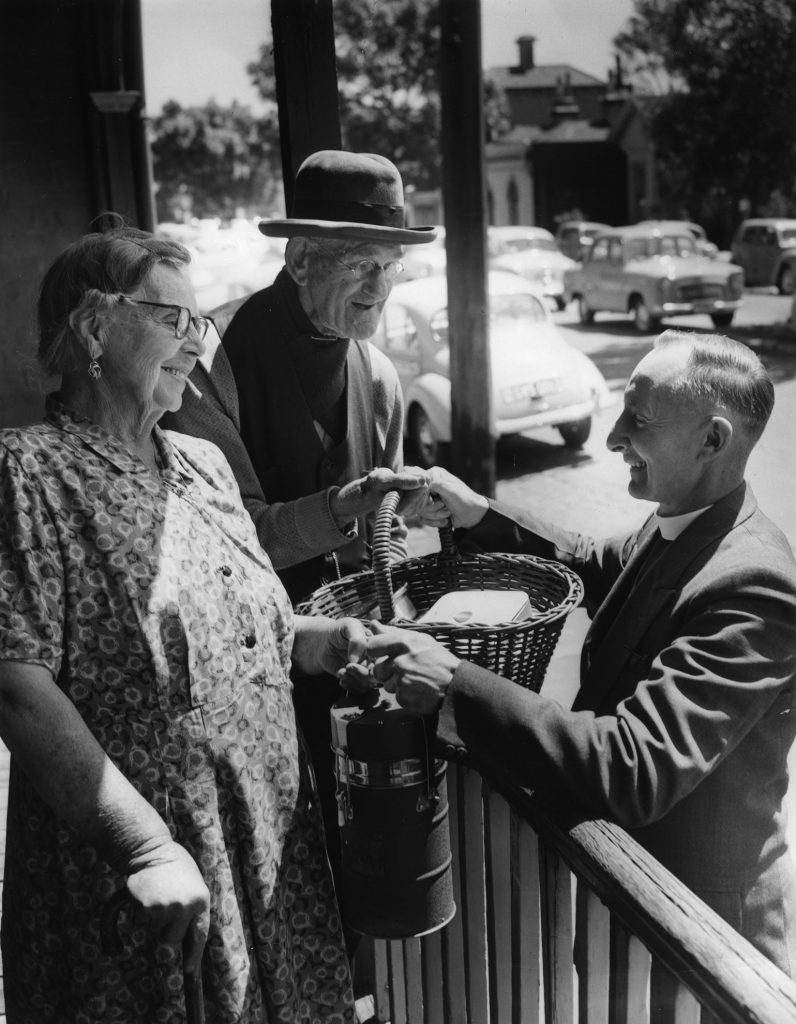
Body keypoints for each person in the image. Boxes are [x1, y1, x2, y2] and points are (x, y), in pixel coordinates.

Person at [0, 226, 418, 1022]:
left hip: (266, 843)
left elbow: (240, 623)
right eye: (175, 321)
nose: (197, 344)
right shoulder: (27, 473)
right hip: (147, 872)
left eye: (202, 324)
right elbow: (16, 682)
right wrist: (144, 847)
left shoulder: (204, 464)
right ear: (95, 327)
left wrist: (320, 642)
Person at [359, 330, 796, 986]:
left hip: (704, 946)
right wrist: (479, 513)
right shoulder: (681, 518)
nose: (614, 438)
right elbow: (591, 562)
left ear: (713, 440)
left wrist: (453, 683)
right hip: (636, 912)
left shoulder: (753, 585)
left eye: (638, 420)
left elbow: (633, 766)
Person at [164, 150, 438, 927]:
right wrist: (340, 504)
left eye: (390, 268)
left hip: (345, 674)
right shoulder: (208, 363)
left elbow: (381, 550)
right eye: (361, 267)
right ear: (299, 257)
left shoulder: (379, 374)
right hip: (241, 681)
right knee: (263, 895)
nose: (379, 291)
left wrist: (404, 534)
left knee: (357, 890)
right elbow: (227, 542)